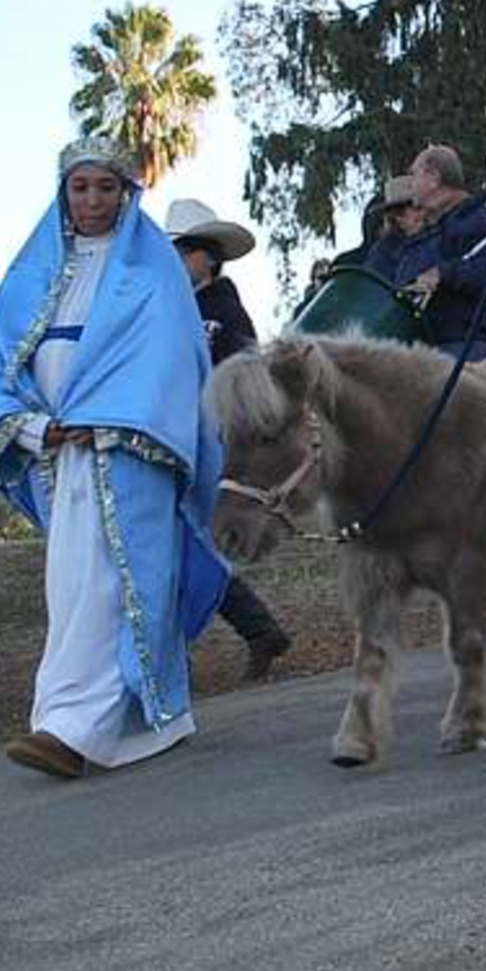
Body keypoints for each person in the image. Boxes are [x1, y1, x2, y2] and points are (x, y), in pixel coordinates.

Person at [0, 138, 228, 779]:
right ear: (65, 192)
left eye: (105, 188)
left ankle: (72, 729)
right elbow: (3, 366)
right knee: (72, 589)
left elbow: (172, 365)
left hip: (127, 452)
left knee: (119, 586)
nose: (92, 200)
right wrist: (32, 428)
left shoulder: (153, 273)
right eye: (80, 187)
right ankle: (69, 717)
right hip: (57, 460)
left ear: (125, 193)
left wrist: (112, 421)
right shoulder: (29, 275)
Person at [164, 198, 292, 682]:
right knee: (183, 541)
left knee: (187, 540)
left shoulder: (225, 313)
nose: (178, 262)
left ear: (208, 256)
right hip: (178, 435)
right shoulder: (174, 310)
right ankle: (258, 630)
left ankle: (240, 634)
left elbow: (246, 375)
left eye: (186, 250)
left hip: (210, 439)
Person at [394, 146, 486, 357]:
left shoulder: (477, 220)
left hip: (462, 347)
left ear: (433, 177)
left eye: (413, 175)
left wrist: (443, 274)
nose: (411, 184)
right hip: (422, 349)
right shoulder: (430, 233)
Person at [358, 176, 425, 281]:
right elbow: (375, 288)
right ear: (398, 216)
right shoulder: (383, 251)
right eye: (417, 208)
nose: (423, 213)